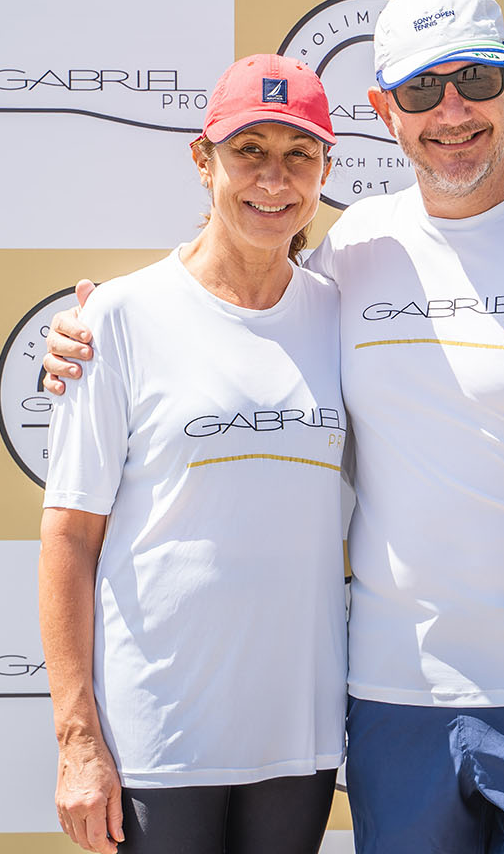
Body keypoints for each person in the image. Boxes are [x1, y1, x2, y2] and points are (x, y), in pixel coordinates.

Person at [47, 0, 504, 854]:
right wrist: (88, 333)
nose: (452, 111)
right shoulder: (353, 253)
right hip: (397, 704)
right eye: (421, 88)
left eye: (475, 80)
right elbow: (228, 322)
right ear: (384, 111)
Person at [38, 54, 348, 854]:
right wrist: (77, 739)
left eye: (299, 154)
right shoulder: (118, 318)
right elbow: (70, 536)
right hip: (158, 732)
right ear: (202, 160)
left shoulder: (343, 314)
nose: (274, 178)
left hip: (298, 732)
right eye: (249, 150)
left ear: (325, 169)